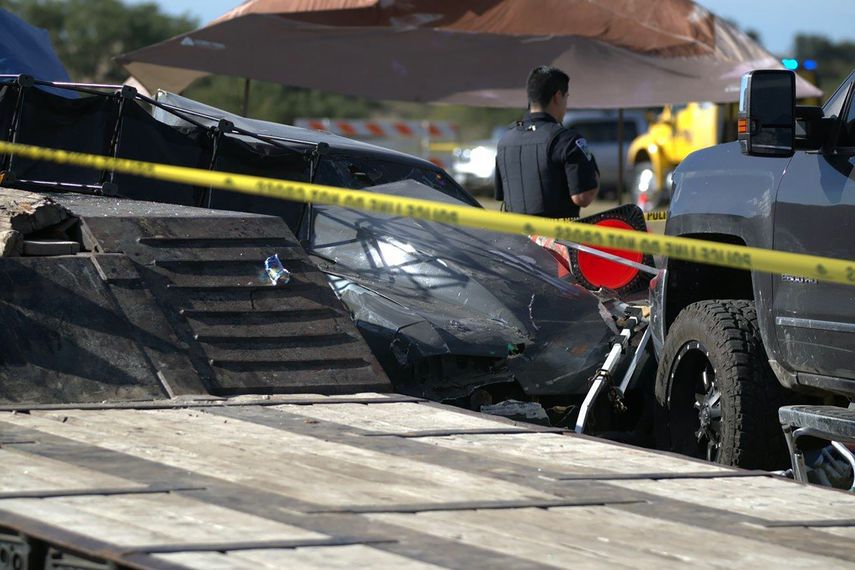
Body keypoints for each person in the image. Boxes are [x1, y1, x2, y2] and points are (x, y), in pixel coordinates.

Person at [495, 66, 599, 219]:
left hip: (514, 232)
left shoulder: (505, 140)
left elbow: (502, 195)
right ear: (557, 96)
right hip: (556, 233)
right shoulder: (567, 140)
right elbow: (582, 197)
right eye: (566, 97)